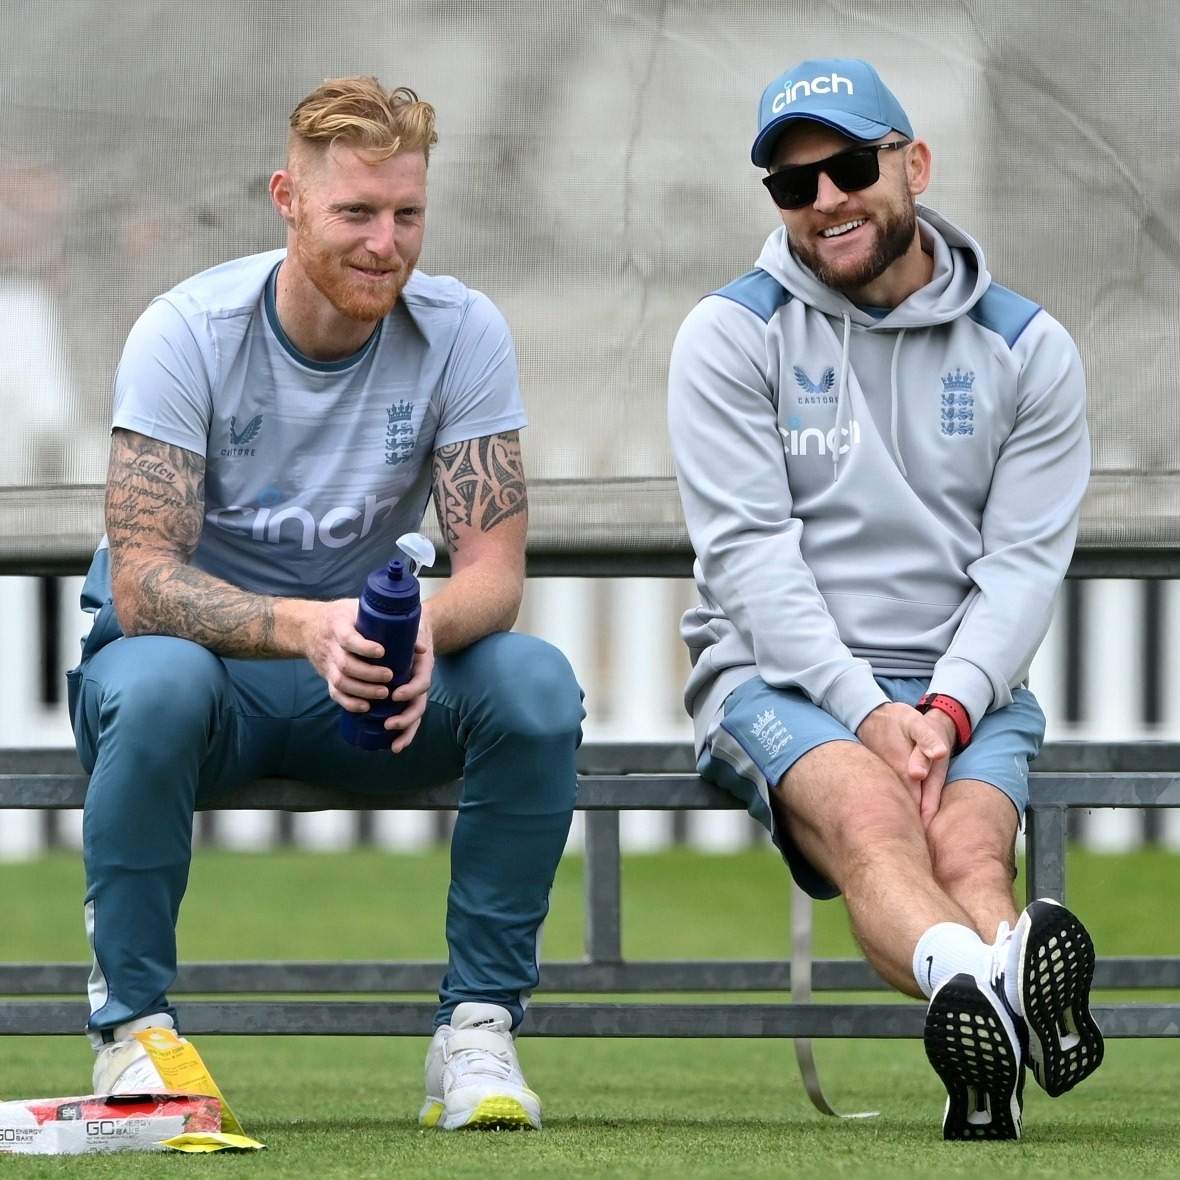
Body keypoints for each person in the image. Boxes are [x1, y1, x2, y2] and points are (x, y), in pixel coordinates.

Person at [67, 76, 584, 1133]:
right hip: (202, 688)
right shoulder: (186, 329)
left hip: (367, 691)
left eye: (407, 214)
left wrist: (424, 631)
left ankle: (476, 1029)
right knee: (156, 682)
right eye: (356, 212)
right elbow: (142, 580)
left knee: (534, 683)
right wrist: (309, 625)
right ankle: (133, 1032)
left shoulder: (463, 329)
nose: (385, 244)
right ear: (288, 200)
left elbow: (492, 572)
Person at [667, 57, 1101, 1140]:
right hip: (778, 678)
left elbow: (1023, 565)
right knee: (872, 822)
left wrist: (946, 709)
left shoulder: (1028, 347)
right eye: (792, 184)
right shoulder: (729, 332)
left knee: (968, 851)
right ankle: (1001, 981)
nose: (825, 200)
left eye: (851, 167)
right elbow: (751, 560)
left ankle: (984, 1044)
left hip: (968, 687)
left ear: (915, 164)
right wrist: (870, 713)